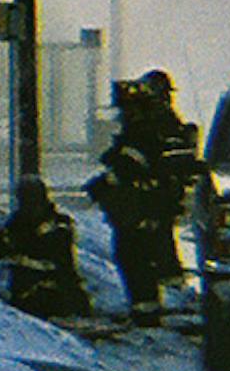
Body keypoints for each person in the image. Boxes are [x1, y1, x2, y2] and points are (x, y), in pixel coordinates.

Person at [86, 69, 201, 324]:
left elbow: (130, 165)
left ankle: (148, 312)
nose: (123, 115)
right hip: (155, 206)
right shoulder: (168, 126)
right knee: (154, 255)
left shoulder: (148, 130)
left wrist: (103, 185)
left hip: (143, 206)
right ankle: (162, 303)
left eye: (127, 109)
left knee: (135, 257)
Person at [2, 173, 92, 318]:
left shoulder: (60, 223)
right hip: (29, 291)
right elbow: (11, 254)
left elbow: (63, 260)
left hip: (62, 289)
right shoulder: (16, 225)